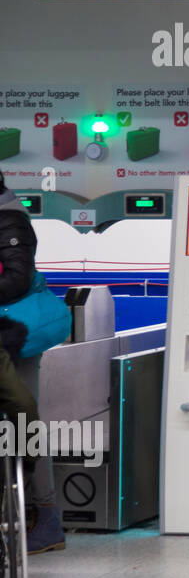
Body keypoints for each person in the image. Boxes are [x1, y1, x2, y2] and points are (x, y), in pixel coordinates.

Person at [0, 176, 62, 554]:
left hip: (15, 336)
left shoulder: (9, 220)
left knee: (24, 419)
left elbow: (19, 280)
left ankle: (47, 515)